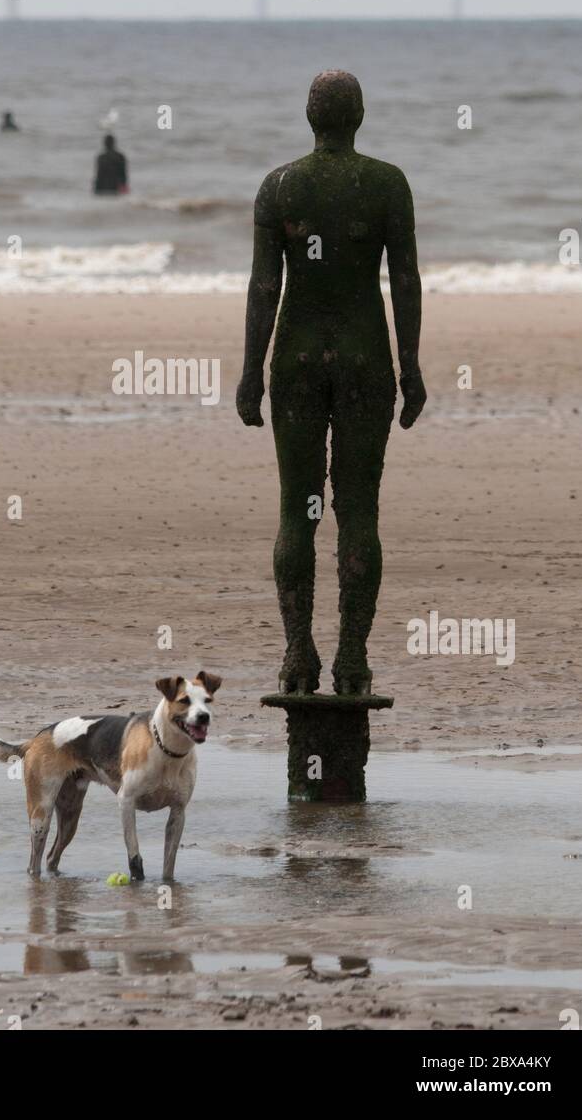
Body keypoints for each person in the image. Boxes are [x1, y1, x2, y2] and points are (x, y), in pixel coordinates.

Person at [236, 70, 426, 697]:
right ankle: (352, 662)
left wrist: (248, 372)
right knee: (358, 512)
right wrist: (411, 366)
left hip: (294, 359)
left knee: (297, 511)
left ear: (310, 118)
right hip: (365, 358)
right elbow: (404, 282)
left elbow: (265, 289)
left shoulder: (279, 188)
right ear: (360, 117)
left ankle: (297, 656)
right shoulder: (386, 185)